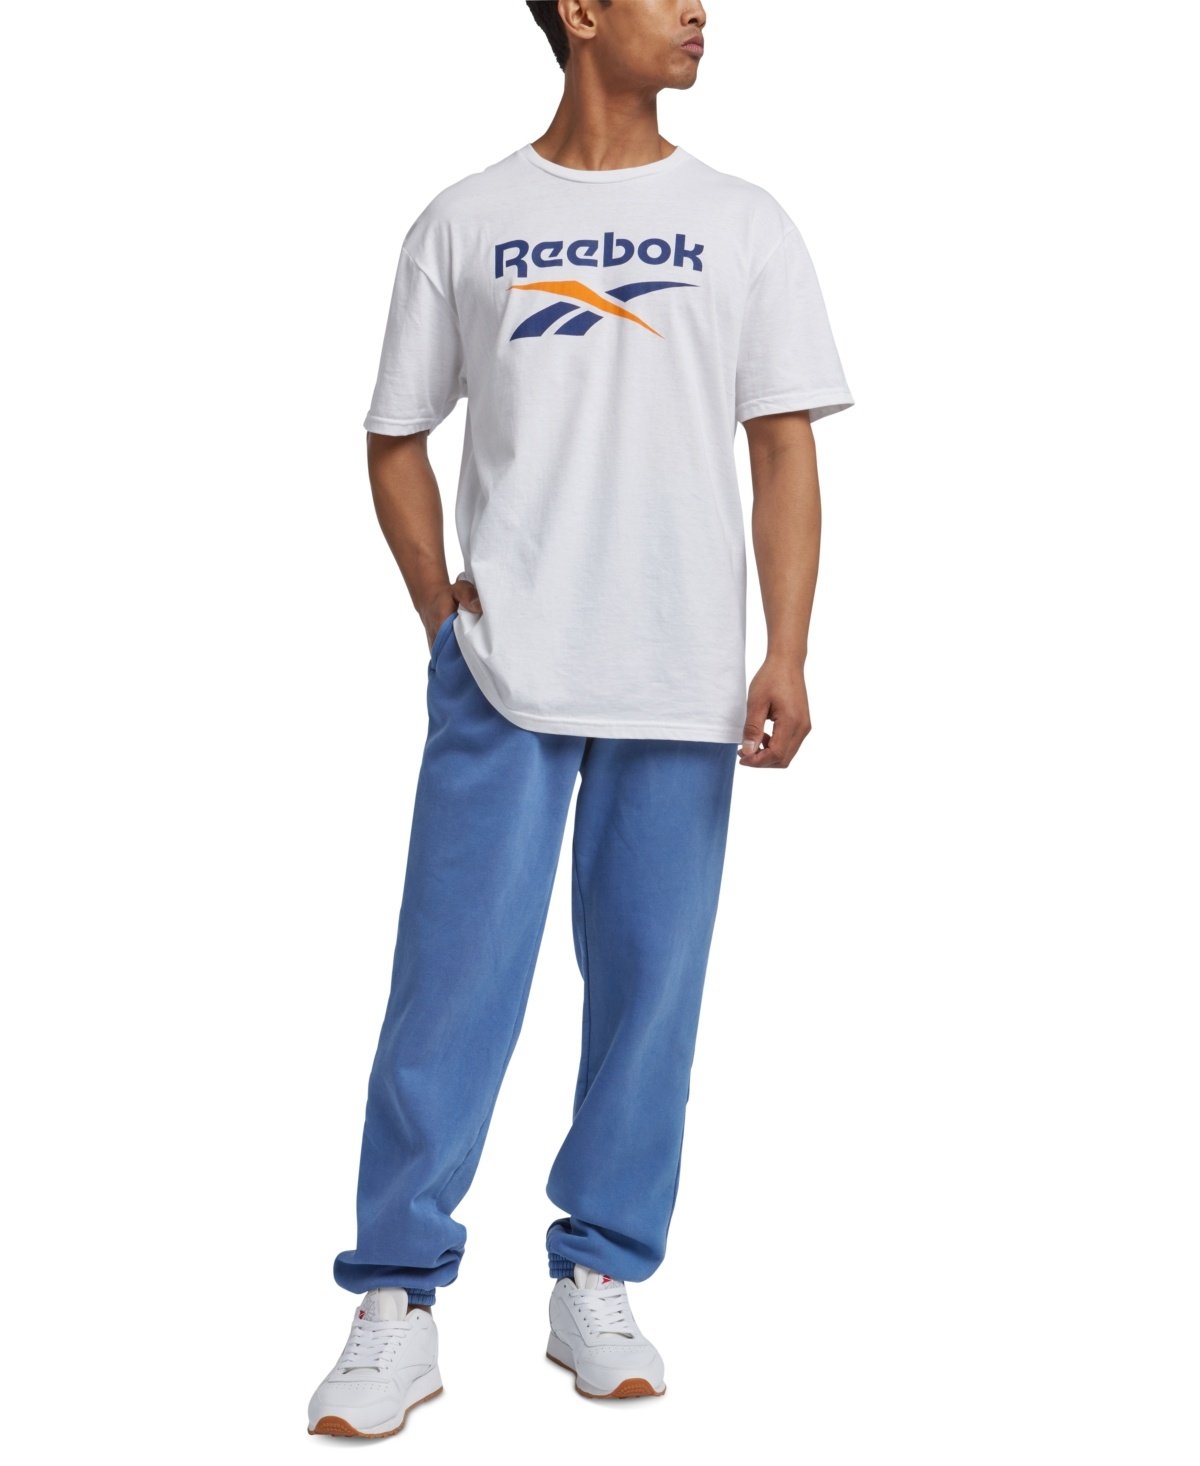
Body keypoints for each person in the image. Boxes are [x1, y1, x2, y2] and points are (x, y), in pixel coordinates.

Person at [307, 0, 853, 1437]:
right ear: (580, 11)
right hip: (503, 670)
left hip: (681, 673)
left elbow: (783, 445)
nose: (700, 10)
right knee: (450, 985)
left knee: (649, 992)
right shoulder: (466, 218)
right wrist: (442, 615)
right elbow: (394, 437)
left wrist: (788, 646)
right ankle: (395, 1298)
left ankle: (598, 1273)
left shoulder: (743, 222)